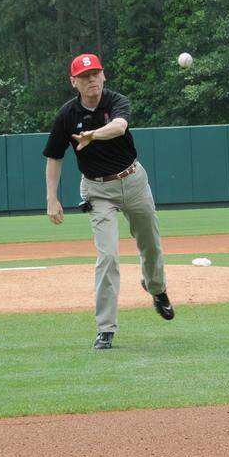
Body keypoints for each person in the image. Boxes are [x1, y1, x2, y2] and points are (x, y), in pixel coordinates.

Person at [43, 52, 174, 350]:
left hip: (133, 180)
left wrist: (93, 134)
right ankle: (105, 328)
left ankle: (156, 288)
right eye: (85, 76)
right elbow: (54, 156)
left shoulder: (116, 101)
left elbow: (119, 126)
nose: (92, 80)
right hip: (97, 190)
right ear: (73, 82)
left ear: (103, 77)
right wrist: (52, 198)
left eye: (96, 74)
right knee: (108, 256)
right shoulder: (67, 115)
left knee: (150, 244)